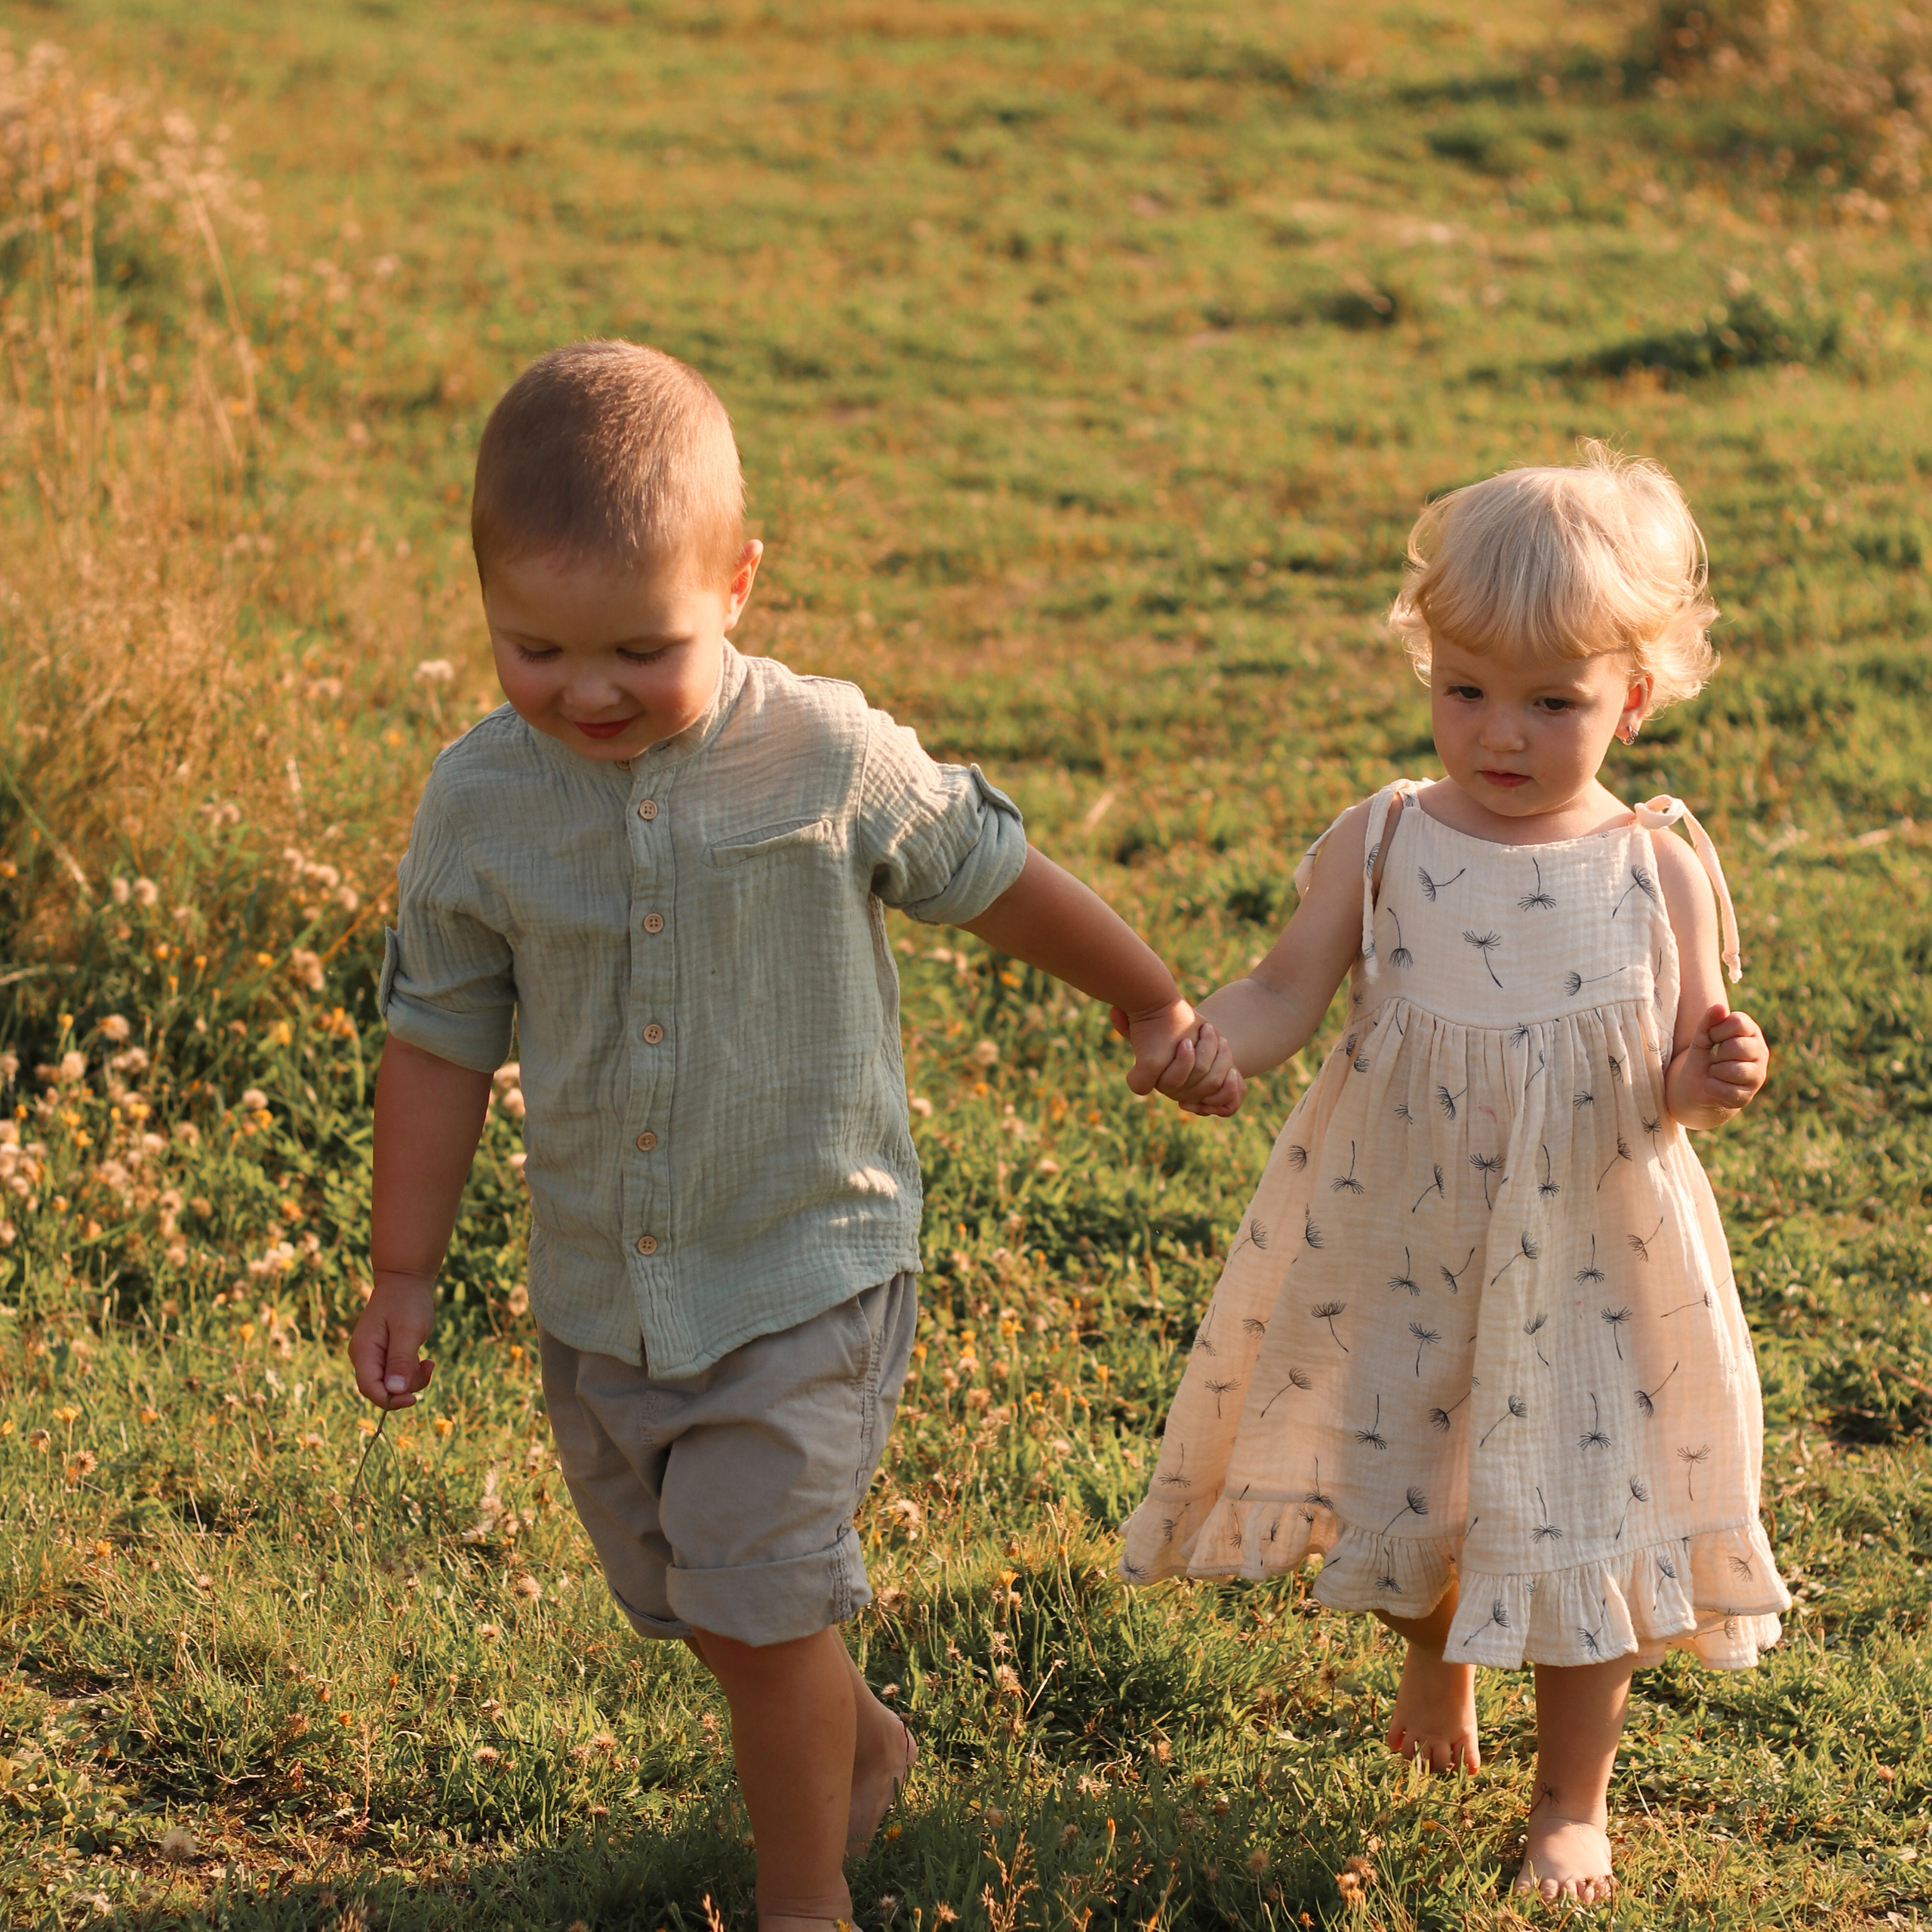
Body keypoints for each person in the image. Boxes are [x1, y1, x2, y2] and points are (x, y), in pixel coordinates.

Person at [348, 340, 1212, 1932]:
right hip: (602, 1285)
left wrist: (1146, 1000)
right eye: (532, 646)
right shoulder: (479, 801)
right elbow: (438, 1038)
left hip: (806, 1257)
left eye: (640, 647)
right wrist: (404, 1263)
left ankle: (802, 1890)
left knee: (752, 1581)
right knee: (700, 1602)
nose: (586, 690)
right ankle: (855, 1736)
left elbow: (988, 866)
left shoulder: (822, 753)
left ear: (738, 583)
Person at [1131, 443, 1785, 1905]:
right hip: (1405, 1222)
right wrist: (1207, 1041)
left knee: (1580, 1496)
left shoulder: (1653, 865)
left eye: (1550, 701)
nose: (1499, 732)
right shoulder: (1380, 842)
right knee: (1416, 1462)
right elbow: (1283, 988)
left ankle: (1570, 1798)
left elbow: (1675, 1070)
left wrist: (1710, 1074)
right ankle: (1435, 1666)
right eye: (1465, 690)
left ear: (1634, 694)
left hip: (1591, 1245)